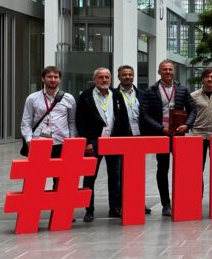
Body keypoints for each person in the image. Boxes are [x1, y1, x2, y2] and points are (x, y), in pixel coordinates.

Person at [140, 60, 191, 217]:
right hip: (161, 135)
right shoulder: (150, 90)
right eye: (165, 69)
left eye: (170, 69)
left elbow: (193, 110)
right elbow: (144, 114)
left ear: (173, 72)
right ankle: (166, 204)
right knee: (162, 170)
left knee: (182, 170)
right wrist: (160, 129)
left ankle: (183, 200)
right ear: (159, 71)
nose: (168, 72)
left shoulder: (182, 89)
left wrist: (187, 125)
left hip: (178, 135)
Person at [20, 66, 78, 201]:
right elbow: (26, 122)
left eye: (56, 77)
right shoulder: (32, 98)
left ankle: (60, 210)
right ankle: (32, 209)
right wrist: (29, 142)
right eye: (49, 77)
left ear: (60, 79)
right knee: (35, 179)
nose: (53, 80)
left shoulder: (68, 98)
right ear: (43, 78)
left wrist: (71, 140)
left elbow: (72, 121)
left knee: (61, 180)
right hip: (38, 144)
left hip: (61, 144)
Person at [76, 68, 125, 222]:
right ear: (95, 79)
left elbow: (122, 118)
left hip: (113, 141)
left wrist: (123, 140)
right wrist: (87, 142)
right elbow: (80, 120)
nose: (104, 80)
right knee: (90, 177)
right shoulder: (86, 96)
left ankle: (115, 208)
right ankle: (89, 209)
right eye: (101, 77)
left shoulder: (116, 95)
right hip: (94, 143)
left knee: (115, 176)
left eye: (107, 77)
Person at [113, 65, 151, 214]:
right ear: (119, 77)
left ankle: (138, 201)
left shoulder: (142, 94)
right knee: (119, 172)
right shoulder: (113, 94)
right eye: (124, 75)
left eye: (130, 74)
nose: (127, 77)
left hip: (138, 137)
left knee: (137, 172)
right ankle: (119, 203)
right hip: (121, 137)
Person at [187, 67, 212, 168]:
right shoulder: (193, 96)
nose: (210, 79)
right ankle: (198, 185)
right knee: (198, 166)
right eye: (206, 77)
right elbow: (190, 114)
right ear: (202, 79)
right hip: (198, 135)